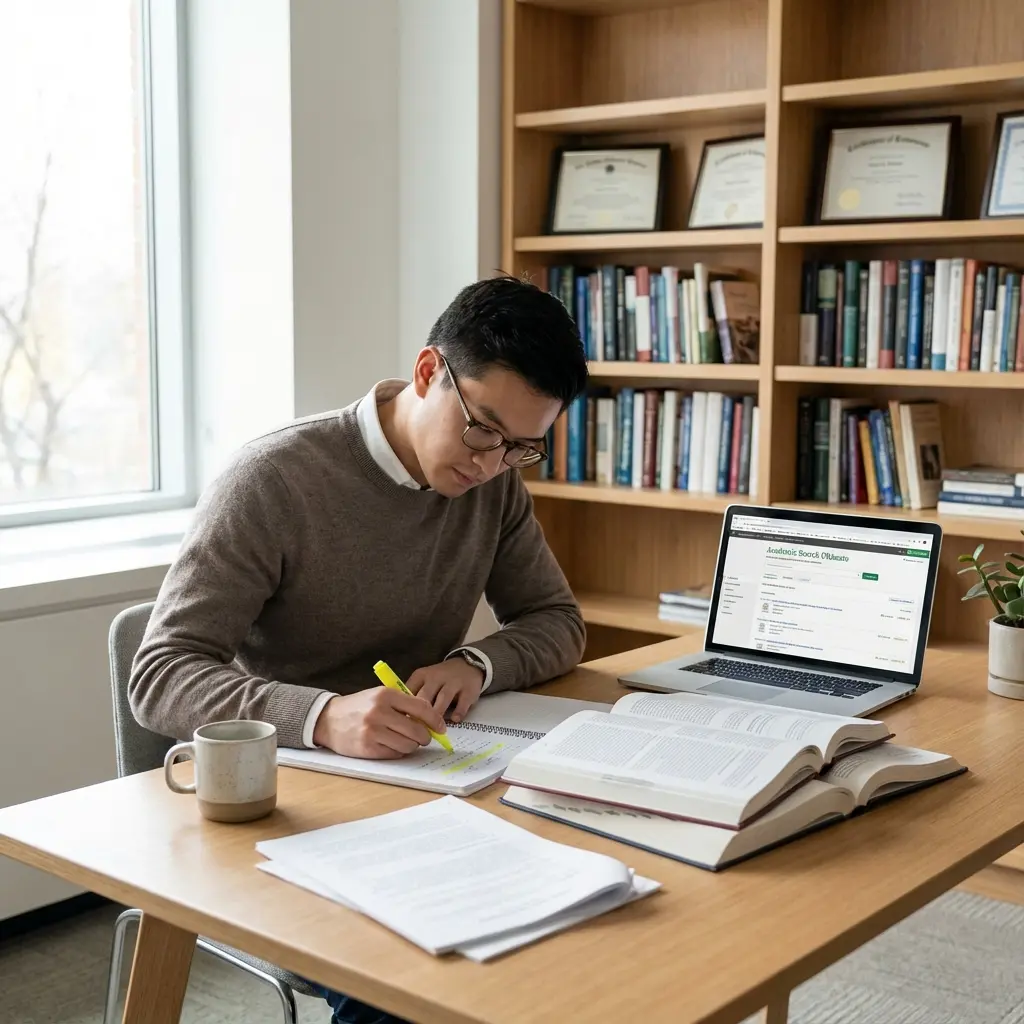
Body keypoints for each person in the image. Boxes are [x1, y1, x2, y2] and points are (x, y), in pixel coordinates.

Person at [129, 274, 589, 1024]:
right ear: (428, 371)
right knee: (413, 982)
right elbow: (160, 676)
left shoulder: (495, 483)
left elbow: (556, 620)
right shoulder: (275, 479)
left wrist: (475, 664)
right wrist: (323, 717)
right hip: (296, 809)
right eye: (482, 430)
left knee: (582, 916)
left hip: (431, 789)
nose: (490, 463)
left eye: (521, 446)